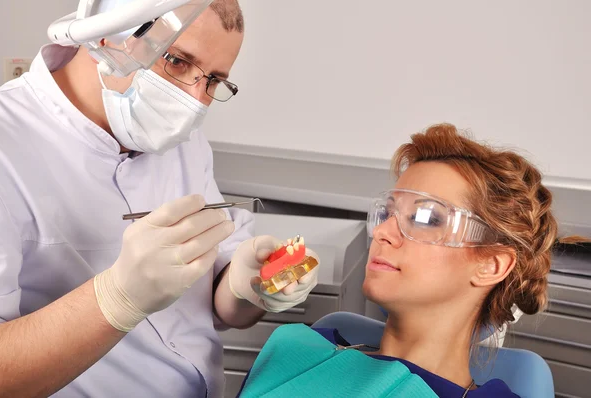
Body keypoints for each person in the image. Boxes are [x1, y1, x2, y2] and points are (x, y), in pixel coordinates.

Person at [0, 1, 319, 397]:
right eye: (178, 62)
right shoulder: (1, 149)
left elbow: (219, 303)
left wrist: (248, 285)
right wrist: (116, 300)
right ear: (105, 35)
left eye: (213, 80)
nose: (195, 100)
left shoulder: (174, 132)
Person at [238, 123, 588, 397]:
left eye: (427, 219)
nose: (383, 233)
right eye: (387, 213)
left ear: (491, 265)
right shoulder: (299, 350)